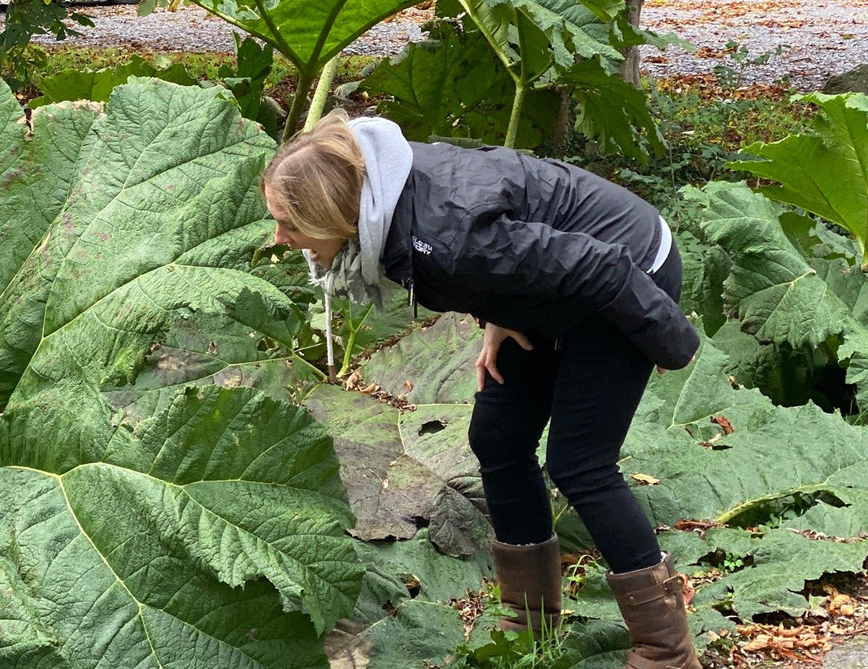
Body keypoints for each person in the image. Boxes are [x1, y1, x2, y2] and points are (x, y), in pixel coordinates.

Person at [261, 110, 701, 669]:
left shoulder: (446, 240)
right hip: (556, 278)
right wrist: (496, 310)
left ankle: (667, 652)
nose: (280, 238)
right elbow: (505, 224)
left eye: (288, 223)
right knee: (497, 437)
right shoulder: (383, 189)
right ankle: (530, 620)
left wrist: (665, 341)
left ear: (333, 212)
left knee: (581, 465)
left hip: (631, 273)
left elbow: (599, 267)